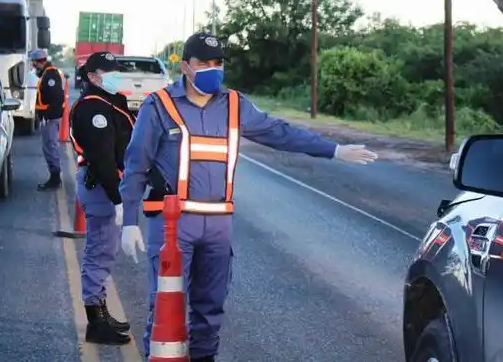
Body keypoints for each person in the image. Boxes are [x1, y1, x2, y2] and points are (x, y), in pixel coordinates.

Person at [119, 32, 377, 362]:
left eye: (219, 63)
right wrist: (129, 221)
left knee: (210, 309)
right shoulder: (159, 106)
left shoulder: (235, 105)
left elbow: (279, 132)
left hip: (217, 224)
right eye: (204, 63)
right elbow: (136, 164)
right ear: (185, 66)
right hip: (172, 226)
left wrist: (334, 150)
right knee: (166, 304)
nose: (213, 69)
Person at [70, 51, 135, 345]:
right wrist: (117, 198)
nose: (115, 75)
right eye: (109, 71)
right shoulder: (92, 109)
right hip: (102, 189)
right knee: (98, 252)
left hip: (105, 188)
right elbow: (102, 159)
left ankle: (101, 312)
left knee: (104, 252)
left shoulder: (107, 102)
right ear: (93, 76)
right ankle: (96, 322)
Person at [31, 49, 66, 191]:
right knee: (49, 147)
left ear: (38, 62)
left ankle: (55, 178)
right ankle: (54, 176)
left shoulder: (50, 75)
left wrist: (47, 115)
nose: (33, 67)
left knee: (50, 146)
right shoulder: (47, 73)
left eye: (34, 64)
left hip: (50, 118)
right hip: (48, 117)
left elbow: (56, 98)